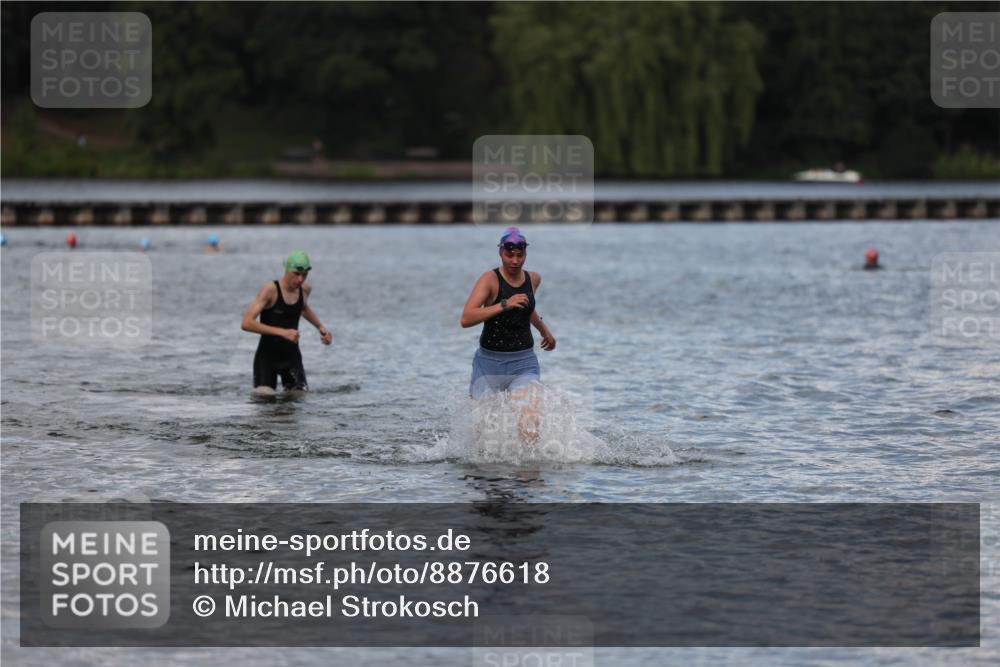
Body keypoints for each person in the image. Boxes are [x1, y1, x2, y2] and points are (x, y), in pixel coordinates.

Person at [460, 227, 556, 442]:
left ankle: (528, 472)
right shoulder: (489, 280)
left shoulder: (533, 279)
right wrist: (504, 304)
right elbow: (466, 319)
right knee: (482, 431)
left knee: (530, 421)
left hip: (523, 363)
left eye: (519, 255)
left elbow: (526, 307)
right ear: (501, 253)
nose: (514, 261)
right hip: (488, 365)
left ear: (526, 254)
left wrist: (544, 331)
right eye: (509, 255)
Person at [241, 251, 333, 395]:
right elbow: (246, 323)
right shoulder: (270, 290)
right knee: (265, 399)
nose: (300, 279)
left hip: (292, 357)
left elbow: (304, 308)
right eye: (296, 274)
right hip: (267, 357)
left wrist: (321, 328)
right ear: (287, 270)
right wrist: (283, 332)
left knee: (299, 398)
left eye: (304, 275)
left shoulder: (304, 290)